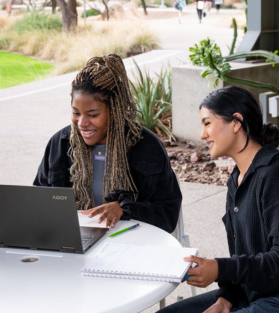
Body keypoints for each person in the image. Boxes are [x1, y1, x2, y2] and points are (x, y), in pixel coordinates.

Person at [158, 86, 279, 313]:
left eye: (207, 123)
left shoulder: (278, 176)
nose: (202, 134)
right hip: (255, 291)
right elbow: (245, 255)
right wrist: (226, 298)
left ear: (236, 122)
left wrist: (220, 269)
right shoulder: (237, 179)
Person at [34, 54, 182, 233]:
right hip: (74, 240)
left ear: (115, 111)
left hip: (133, 243)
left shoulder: (147, 147)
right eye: (76, 112)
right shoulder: (60, 144)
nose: (82, 123)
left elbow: (167, 213)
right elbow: (39, 200)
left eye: (92, 115)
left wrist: (124, 209)